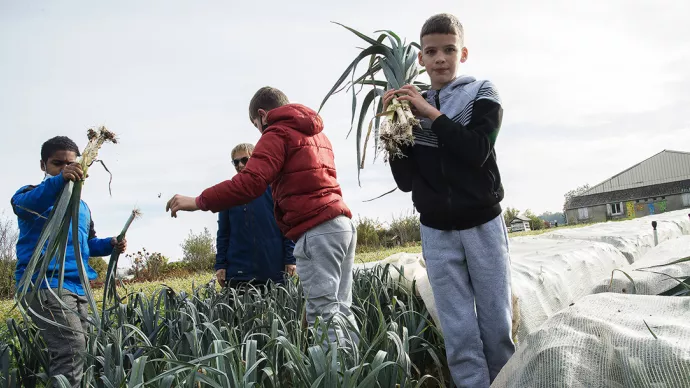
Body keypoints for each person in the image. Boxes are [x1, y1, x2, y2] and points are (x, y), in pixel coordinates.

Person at [166, 86, 359, 349]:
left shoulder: (277, 131)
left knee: (324, 316)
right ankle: (355, 371)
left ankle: (335, 378)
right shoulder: (316, 134)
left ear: (262, 115)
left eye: (256, 124)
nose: (259, 131)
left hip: (316, 229)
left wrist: (198, 201)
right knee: (340, 310)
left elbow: (250, 183)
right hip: (342, 225)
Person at [383, 13, 515, 387]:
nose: (440, 58)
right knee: (457, 327)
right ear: (420, 59)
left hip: (482, 223)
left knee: (495, 320)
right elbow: (406, 181)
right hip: (437, 231)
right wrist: (392, 129)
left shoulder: (483, 93)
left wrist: (431, 114)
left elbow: (477, 151)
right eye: (431, 51)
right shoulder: (410, 107)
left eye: (449, 49)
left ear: (463, 53)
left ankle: (505, 382)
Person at [11, 136, 126, 387]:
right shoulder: (30, 195)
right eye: (57, 164)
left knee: (77, 352)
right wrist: (60, 180)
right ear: (44, 165)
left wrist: (110, 244)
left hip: (77, 286)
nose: (66, 168)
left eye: (71, 163)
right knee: (72, 349)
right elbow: (22, 205)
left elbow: (85, 245)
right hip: (46, 285)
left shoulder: (81, 206)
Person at [215, 142, 296, 290]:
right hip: (238, 274)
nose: (240, 165)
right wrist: (220, 265)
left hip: (273, 270)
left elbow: (287, 226)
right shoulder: (228, 195)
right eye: (236, 162)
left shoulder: (274, 189)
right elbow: (223, 234)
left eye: (245, 160)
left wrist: (290, 259)